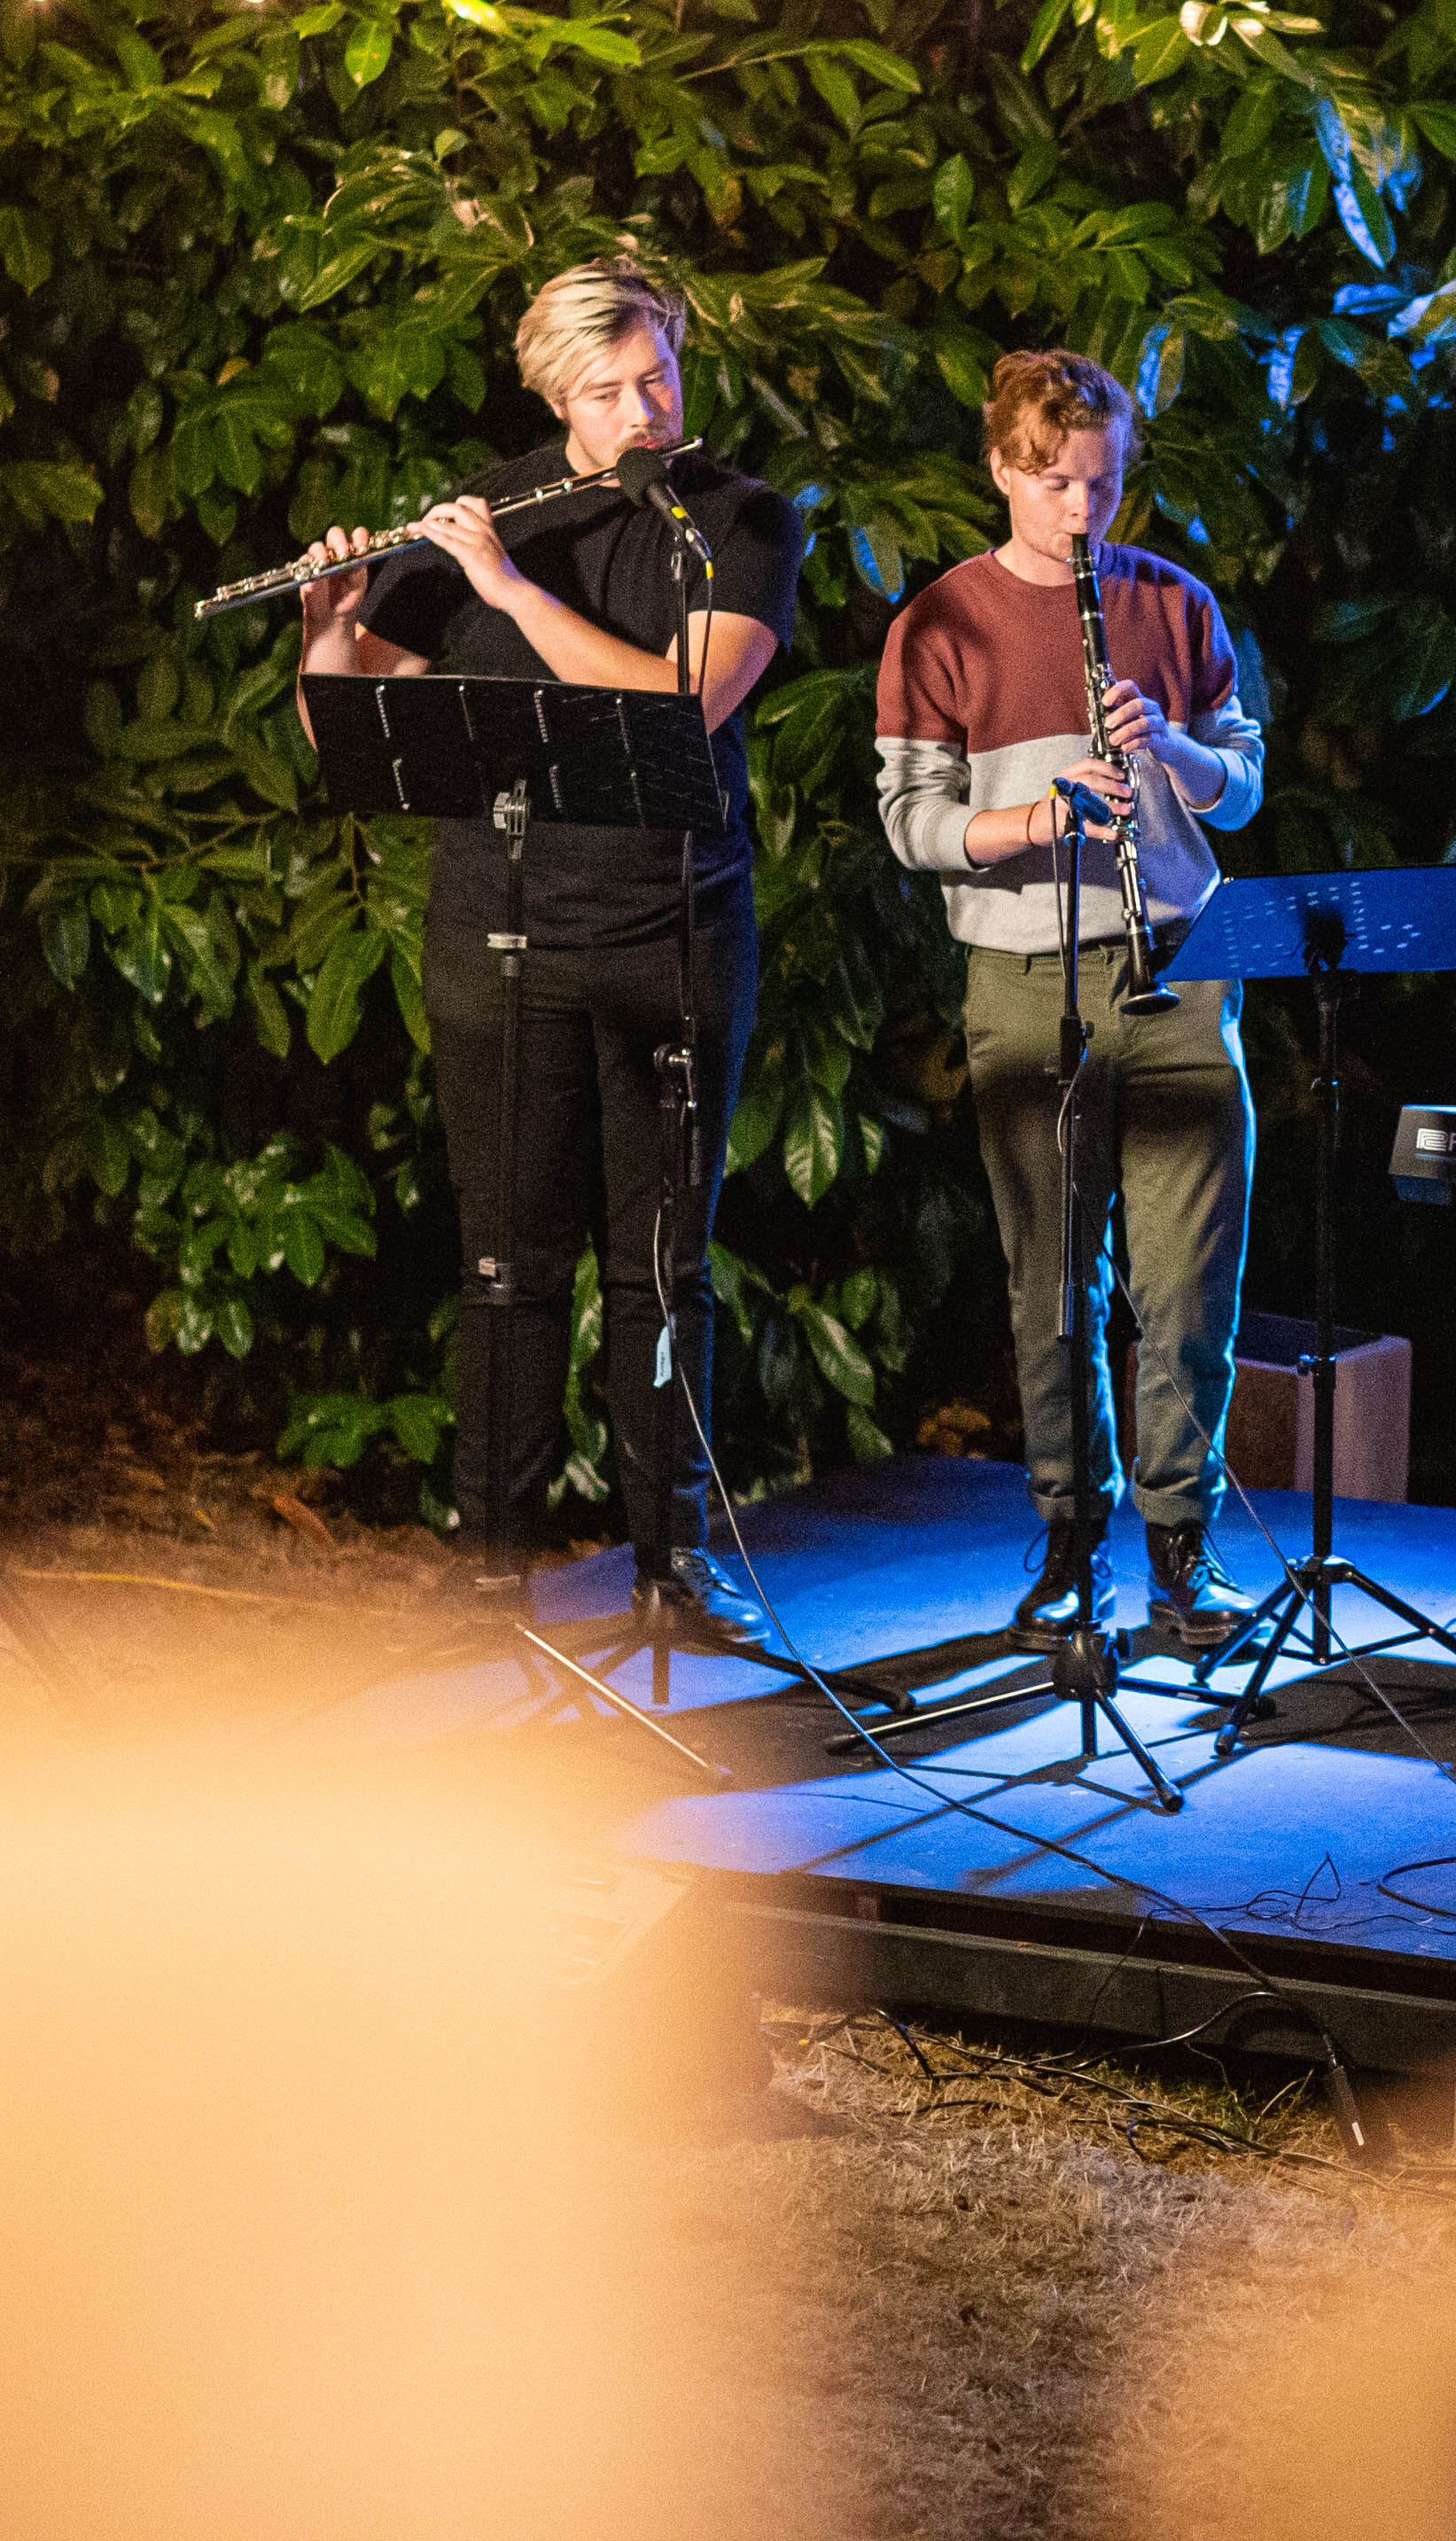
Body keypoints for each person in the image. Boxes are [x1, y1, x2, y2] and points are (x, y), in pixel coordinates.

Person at [292, 256, 803, 1662]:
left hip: (673, 931)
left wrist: (508, 591)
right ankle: (488, 1571)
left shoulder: (738, 520)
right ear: (554, 397)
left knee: (661, 1268)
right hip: (500, 935)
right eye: (607, 391)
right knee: (503, 1265)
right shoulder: (487, 511)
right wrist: (328, 628)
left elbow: (679, 704)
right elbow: (354, 732)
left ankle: (673, 1568)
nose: (643, 411)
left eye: (658, 377)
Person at [876, 350, 1267, 1656]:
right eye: (1053, 484)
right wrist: (1032, 820)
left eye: (1100, 484)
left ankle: (1182, 1548)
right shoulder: (942, 621)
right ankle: (1066, 1537)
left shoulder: (1174, 603)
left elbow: (1242, 787)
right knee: (1051, 1285)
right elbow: (912, 822)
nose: (1080, 510)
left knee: (1188, 1286)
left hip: (1177, 961)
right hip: (1024, 971)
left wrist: (1174, 749)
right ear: (1002, 469)